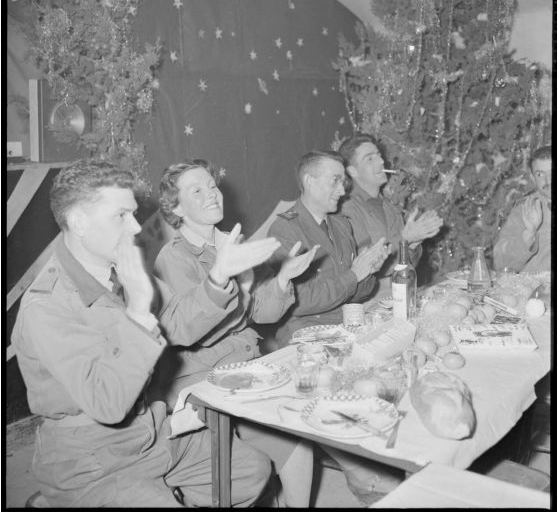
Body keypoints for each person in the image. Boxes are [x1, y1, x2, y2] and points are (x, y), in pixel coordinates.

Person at [10, 159, 273, 508]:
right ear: (78, 222)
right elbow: (107, 403)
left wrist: (218, 277)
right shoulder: (46, 306)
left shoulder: (122, 269)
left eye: (133, 213)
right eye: (121, 215)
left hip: (151, 433)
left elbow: (178, 322)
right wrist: (136, 313)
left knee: (249, 470)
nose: (135, 227)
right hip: (92, 459)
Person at [154, 159, 319, 507]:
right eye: (196, 190)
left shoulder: (229, 244)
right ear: (176, 207)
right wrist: (232, 278)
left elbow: (263, 312)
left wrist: (283, 279)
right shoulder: (173, 259)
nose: (211, 194)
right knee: (260, 458)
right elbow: (200, 335)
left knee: (300, 440)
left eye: (211, 186)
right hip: (201, 380)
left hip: (245, 368)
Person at [267, 150, 401, 504]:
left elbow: (360, 291)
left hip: (345, 327)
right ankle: (364, 475)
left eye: (343, 179)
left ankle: (380, 461)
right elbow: (300, 300)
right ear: (309, 181)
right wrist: (354, 275)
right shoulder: (285, 228)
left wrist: (368, 271)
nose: (343, 188)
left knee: (391, 375)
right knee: (345, 395)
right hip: (303, 337)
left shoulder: (340, 223)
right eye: (335, 180)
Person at [338, 134, 443, 300]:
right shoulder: (347, 209)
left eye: (379, 155)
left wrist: (414, 243)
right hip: (369, 302)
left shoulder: (388, 206)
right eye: (370, 159)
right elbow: (363, 266)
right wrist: (405, 238)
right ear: (352, 170)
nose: (381, 161)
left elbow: (404, 266)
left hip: (400, 295)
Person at [493, 145, 551, 273]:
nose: (548, 180)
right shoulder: (524, 209)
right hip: (537, 289)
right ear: (532, 178)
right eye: (540, 174)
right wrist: (529, 234)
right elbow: (500, 263)